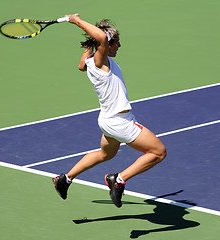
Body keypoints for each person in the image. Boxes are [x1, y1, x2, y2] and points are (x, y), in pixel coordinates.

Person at [52, 14, 166, 208]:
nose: (119, 46)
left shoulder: (88, 62)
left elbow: (81, 64)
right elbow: (102, 39)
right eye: (117, 43)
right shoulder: (100, 63)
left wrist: (90, 41)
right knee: (158, 152)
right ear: (106, 45)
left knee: (105, 155)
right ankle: (118, 180)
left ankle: (65, 179)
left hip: (106, 120)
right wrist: (75, 20)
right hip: (119, 121)